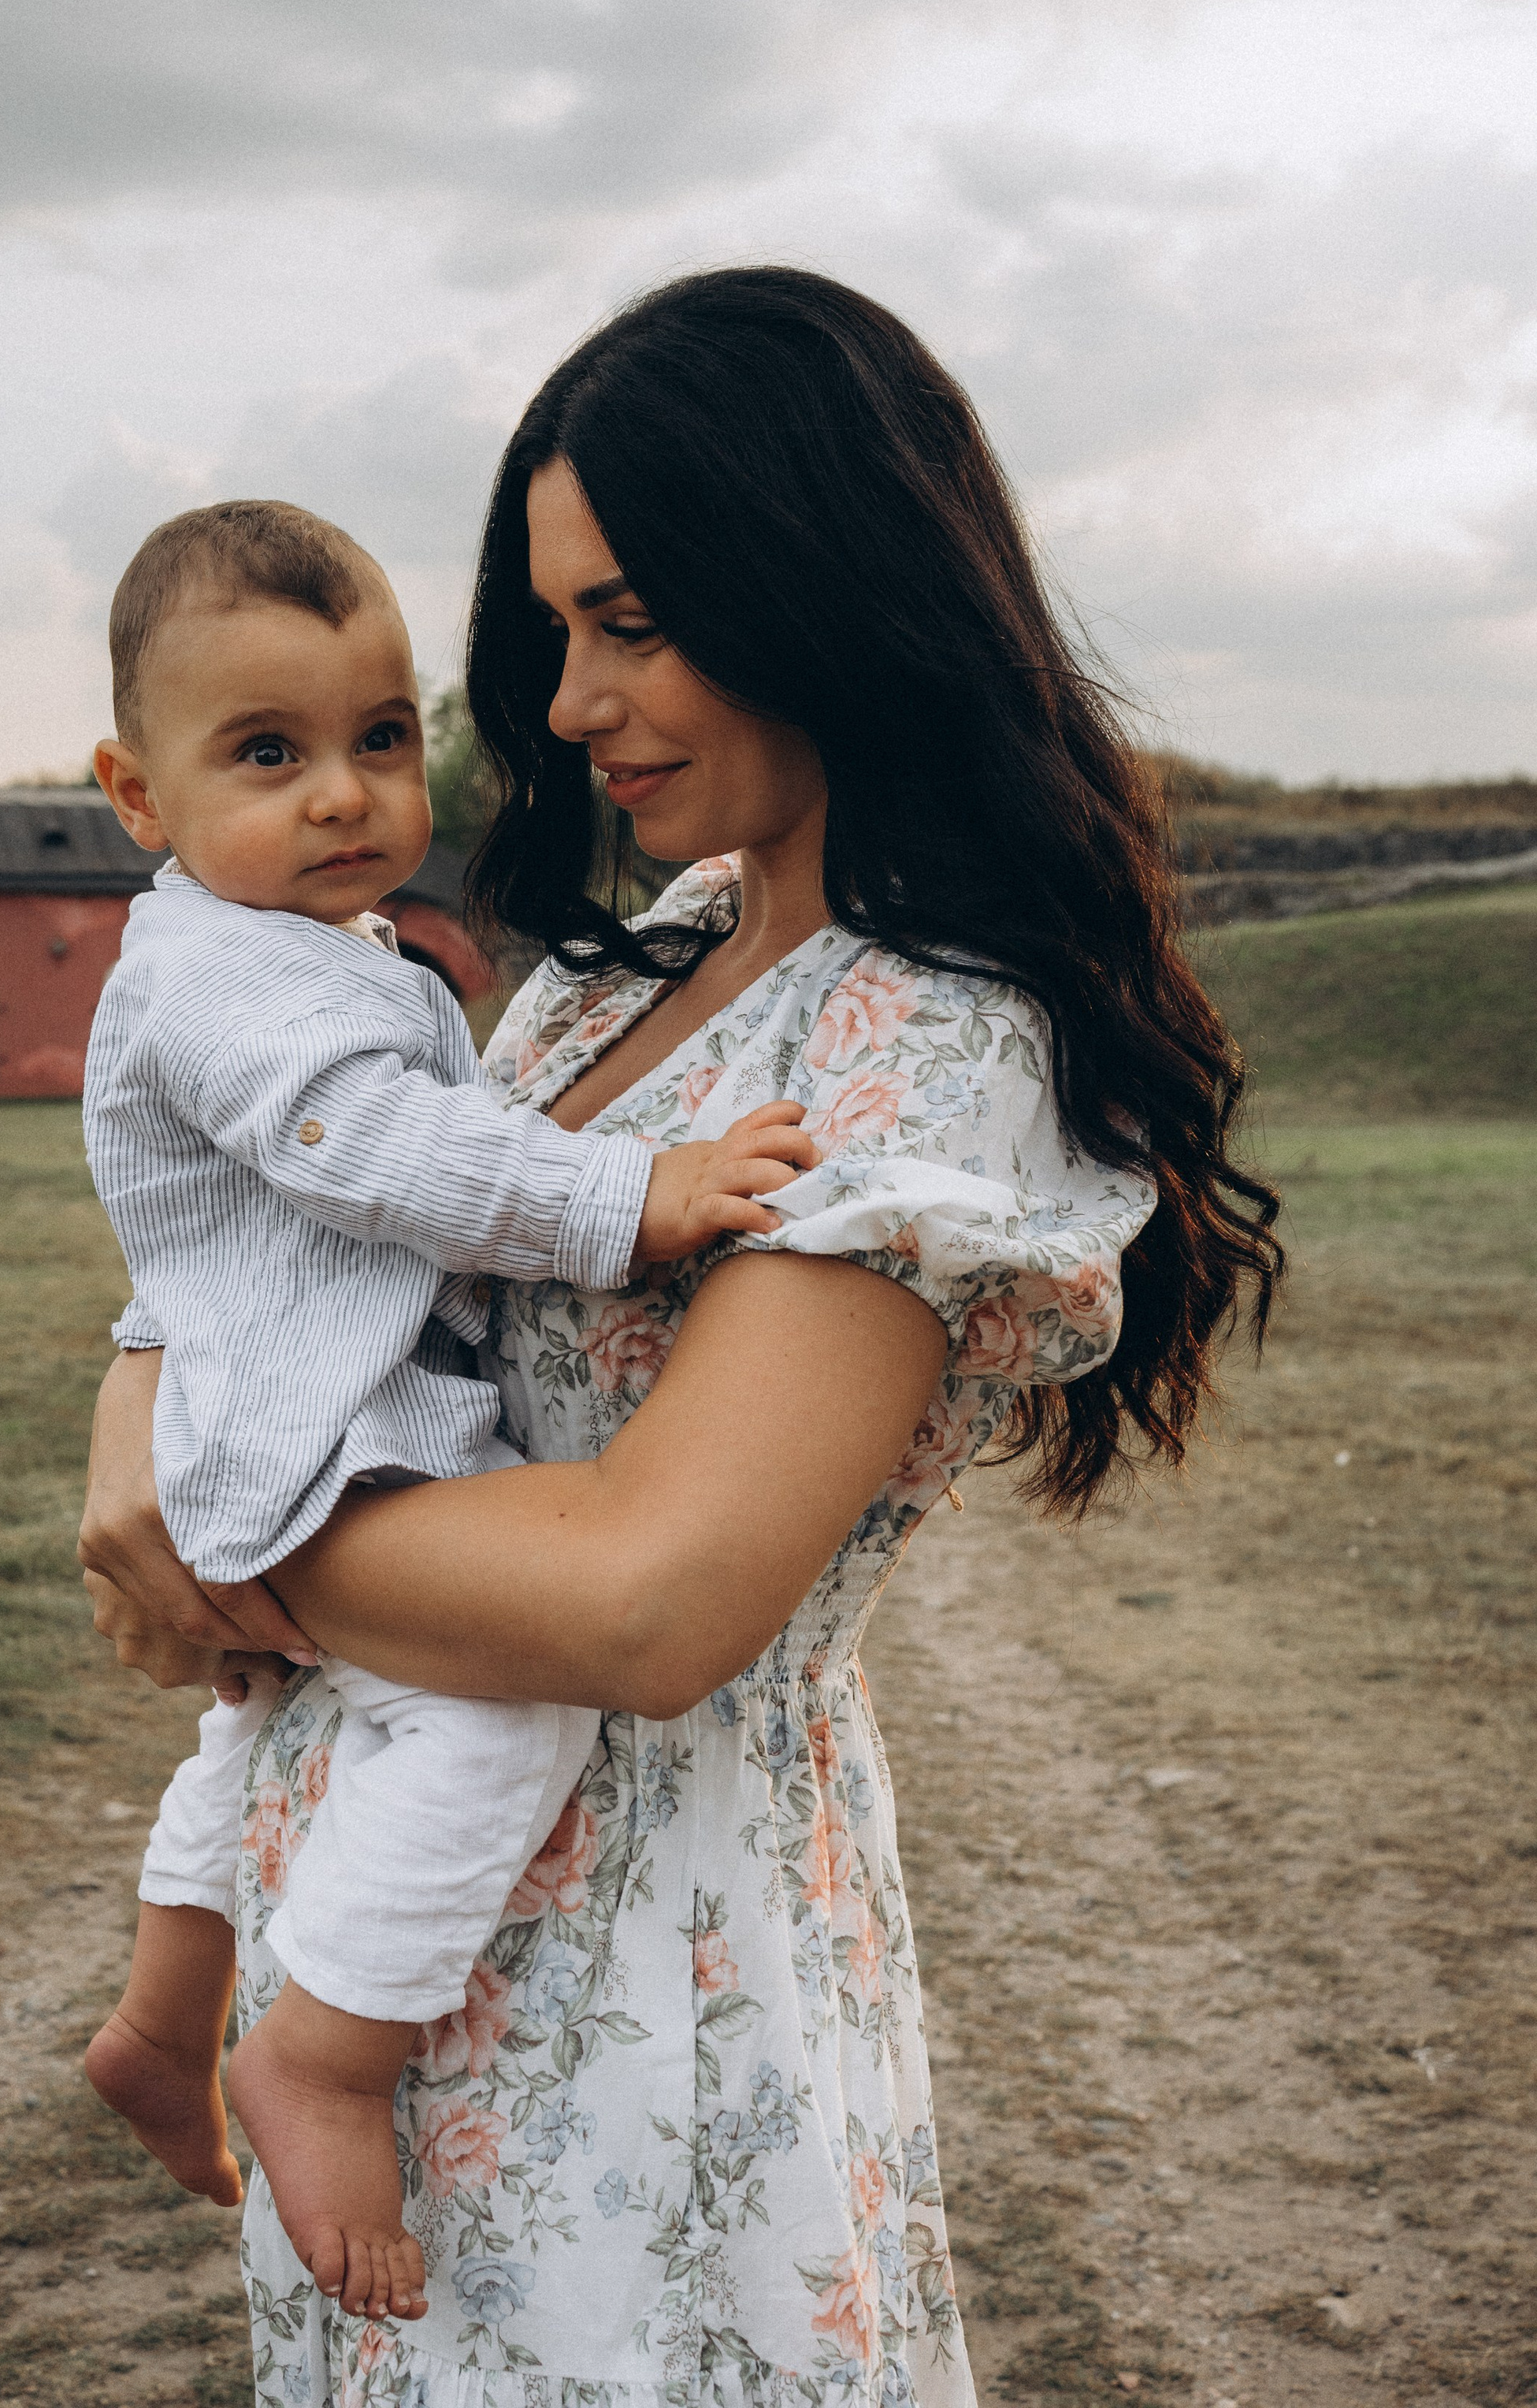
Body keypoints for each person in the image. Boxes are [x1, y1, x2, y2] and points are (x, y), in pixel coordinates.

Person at [79, 269, 1283, 2408]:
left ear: (822, 587)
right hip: (390, 1948)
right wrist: (138, 1412)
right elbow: (311, 1236)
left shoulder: (925, 1042)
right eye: (556, 630)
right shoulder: (615, 984)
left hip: (654, 1978)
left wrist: (225, 1537)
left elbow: (651, 1604)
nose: (562, 701)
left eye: (629, 621)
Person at [79, 497, 820, 2324]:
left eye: (379, 740)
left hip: (291, 1420)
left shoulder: (298, 945)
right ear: (134, 793)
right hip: (330, 1440)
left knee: (260, 1729)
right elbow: (370, 1150)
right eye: (268, 755)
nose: (341, 795)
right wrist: (629, 1199)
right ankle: (319, 2054)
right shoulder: (233, 971)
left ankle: (166, 2014)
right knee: (500, 1724)